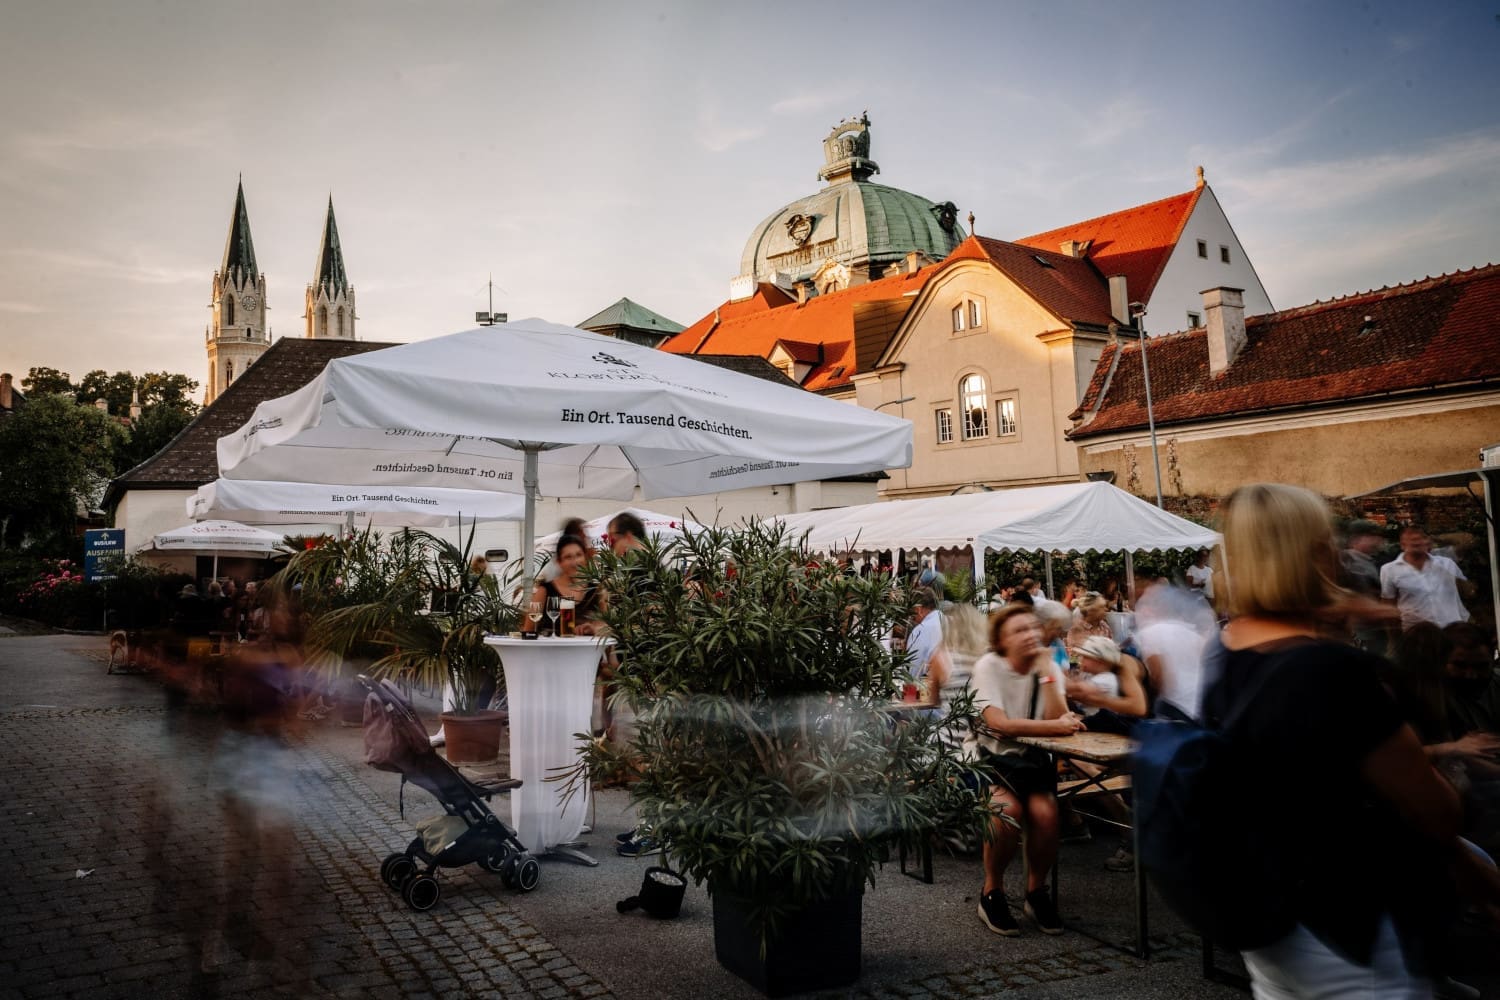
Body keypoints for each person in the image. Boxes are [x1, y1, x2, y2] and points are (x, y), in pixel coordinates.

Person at [1205, 483, 1495, 997]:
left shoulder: (1224, 648)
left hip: (1269, 914)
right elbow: (1435, 812)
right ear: (1316, 554)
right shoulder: (1328, 668)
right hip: (1348, 920)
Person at [967, 604, 1085, 937]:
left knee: (1046, 815)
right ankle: (992, 891)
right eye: (1019, 630)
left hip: (1034, 760)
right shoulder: (988, 666)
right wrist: (1053, 726)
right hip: (992, 758)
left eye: (1032, 628)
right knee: (1006, 812)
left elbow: (1063, 717)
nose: (1030, 635)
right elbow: (999, 725)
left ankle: (1036, 892)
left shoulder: (1045, 667)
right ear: (1001, 640)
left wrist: (1047, 671)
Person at [1381, 524, 1472, 631]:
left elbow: (1468, 539)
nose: (1416, 541)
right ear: (1402, 545)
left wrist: (1436, 538)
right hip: (1417, 634)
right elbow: (1389, 606)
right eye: (1411, 538)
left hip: (1452, 630)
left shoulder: (1446, 563)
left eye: (1420, 538)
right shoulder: (1389, 569)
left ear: (1427, 542)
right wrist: (1393, 639)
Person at [905, 587, 947, 687]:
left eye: (912, 613)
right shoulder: (949, 621)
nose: (913, 619)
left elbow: (914, 672)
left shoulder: (919, 631)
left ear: (918, 610)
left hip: (930, 691)